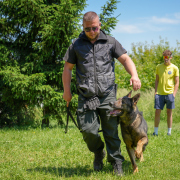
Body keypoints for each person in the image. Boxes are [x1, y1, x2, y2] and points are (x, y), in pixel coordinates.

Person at [62, 11, 141, 176]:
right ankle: (98, 151)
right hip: (86, 96)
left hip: (107, 95)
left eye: (95, 28)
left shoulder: (110, 42)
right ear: (83, 28)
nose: (91, 31)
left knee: (111, 130)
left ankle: (116, 161)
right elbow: (68, 68)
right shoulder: (76, 45)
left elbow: (126, 59)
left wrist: (134, 75)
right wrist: (67, 91)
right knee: (88, 130)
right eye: (88, 29)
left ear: (100, 25)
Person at [153, 50, 179, 136]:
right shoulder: (158, 67)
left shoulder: (175, 68)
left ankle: (169, 132)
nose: (166, 59)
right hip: (159, 94)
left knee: (169, 113)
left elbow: (177, 82)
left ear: (170, 57)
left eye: (167, 57)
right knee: (157, 112)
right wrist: (155, 92)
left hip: (170, 94)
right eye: (164, 57)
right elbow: (156, 80)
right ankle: (155, 132)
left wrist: (174, 94)